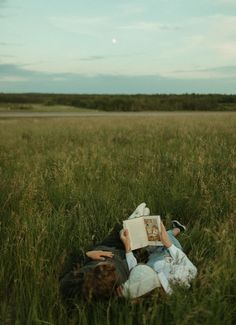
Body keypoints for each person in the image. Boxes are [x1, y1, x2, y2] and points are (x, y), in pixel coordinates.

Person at [119, 214, 197, 298]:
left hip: (154, 254)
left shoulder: (143, 284)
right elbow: (192, 270)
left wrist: (128, 248)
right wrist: (168, 244)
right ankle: (178, 229)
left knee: (148, 241)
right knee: (166, 235)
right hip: (171, 251)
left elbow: (134, 271)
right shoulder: (176, 280)